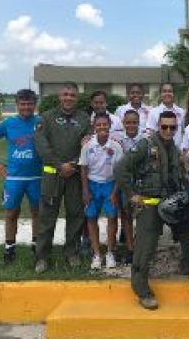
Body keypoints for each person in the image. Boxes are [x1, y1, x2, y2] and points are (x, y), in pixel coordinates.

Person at [114, 111, 189, 310]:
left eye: (172, 127)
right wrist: (131, 194)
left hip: (170, 203)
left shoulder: (174, 149)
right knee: (145, 247)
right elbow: (120, 169)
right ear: (158, 126)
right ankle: (141, 289)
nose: (168, 130)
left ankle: (188, 267)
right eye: (164, 126)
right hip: (149, 203)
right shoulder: (145, 145)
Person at [33, 82, 92, 273]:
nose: (68, 98)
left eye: (72, 95)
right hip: (52, 176)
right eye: (65, 94)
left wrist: (73, 165)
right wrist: (60, 165)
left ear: (77, 98)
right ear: (60, 96)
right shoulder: (47, 118)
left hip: (75, 176)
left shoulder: (84, 118)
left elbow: (88, 146)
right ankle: (42, 257)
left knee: (75, 215)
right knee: (47, 217)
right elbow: (42, 146)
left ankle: (71, 252)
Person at [0, 89, 42, 264]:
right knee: (11, 213)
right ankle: (9, 248)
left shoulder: (41, 122)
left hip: (37, 176)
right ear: (17, 105)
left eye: (30, 104)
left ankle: (36, 246)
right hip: (14, 178)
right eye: (22, 104)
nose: (26, 107)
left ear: (35, 104)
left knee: (37, 213)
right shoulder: (8, 123)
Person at [79, 113, 124, 270]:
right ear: (94, 127)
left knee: (112, 218)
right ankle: (96, 253)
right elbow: (83, 168)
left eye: (105, 124)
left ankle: (110, 252)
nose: (102, 127)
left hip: (110, 185)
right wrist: (85, 191)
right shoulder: (88, 146)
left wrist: (114, 192)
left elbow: (119, 172)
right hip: (92, 184)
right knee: (91, 219)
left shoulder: (116, 146)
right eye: (98, 125)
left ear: (110, 125)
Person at [111, 110, 145, 263]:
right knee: (126, 215)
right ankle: (130, 248)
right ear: (123, 123)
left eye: (134, 122)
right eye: (128, 122)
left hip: (143, 182)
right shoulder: (118, 140)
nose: (131, 125)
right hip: (125, 182)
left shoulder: (145, 139)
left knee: (143, 216)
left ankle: (141, 247)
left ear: (139, 123)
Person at [146, 83, 185, 147]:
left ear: (173, 94)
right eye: (164, 91)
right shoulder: (153, 112)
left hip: (177, 151)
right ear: (160, 94)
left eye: (170, 91)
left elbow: (183, 132)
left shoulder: (181, 112)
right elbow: (150, 134)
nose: (167, 94)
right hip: (160, 150)